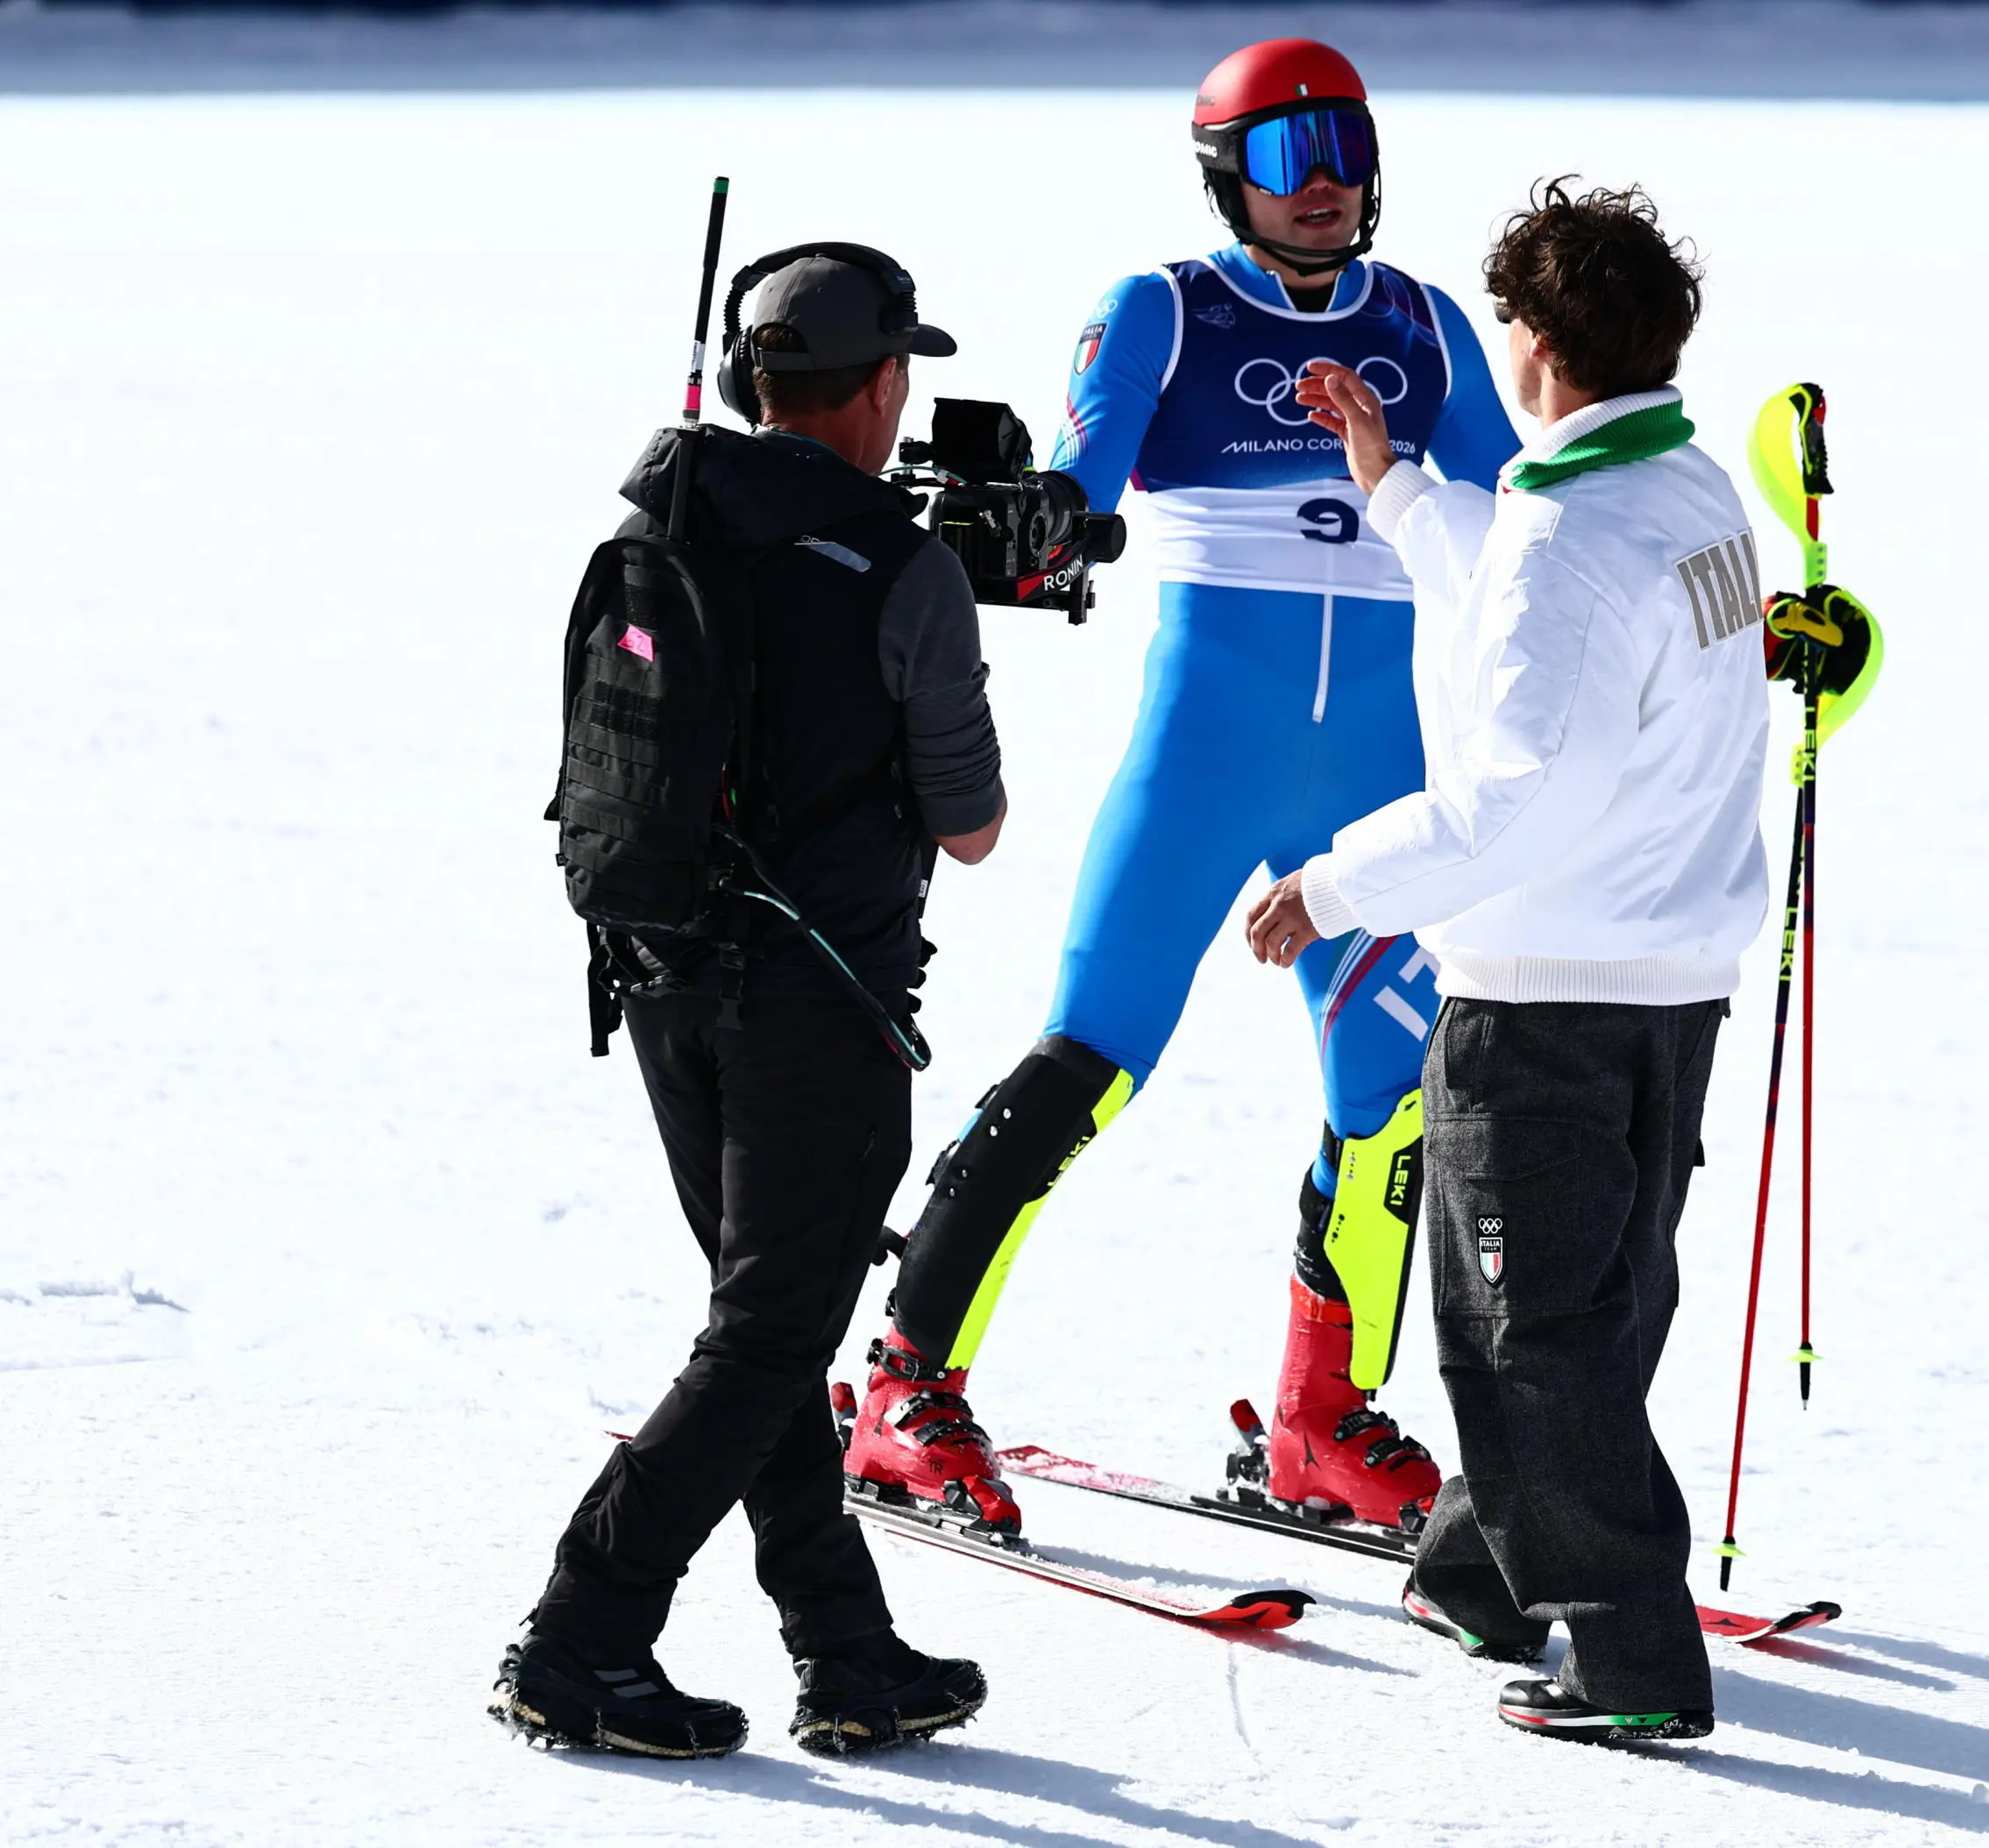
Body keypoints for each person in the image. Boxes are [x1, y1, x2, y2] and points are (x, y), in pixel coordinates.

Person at [842, 38, 1521, 1538]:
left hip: (1377, 792)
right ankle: (904, 1385)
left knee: (1391, 1098)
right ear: (1226, 177)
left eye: (1344, 146)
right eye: (1285, 156)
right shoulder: (1164, 309)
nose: (1323, 182)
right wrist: (1031, 524)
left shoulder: (1422, 326)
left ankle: (1323, 1422)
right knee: (1093, 1058)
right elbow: (1076, 492)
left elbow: (1537, 524)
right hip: (1206, 765)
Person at [1247, 181, 1769, 1744]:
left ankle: (1627, 1657)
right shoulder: (1679, 488)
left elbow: (1520, 792)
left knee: (1525, 1332)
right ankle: (1480, 1571)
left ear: (1536, 343)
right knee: (1591, 1306)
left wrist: (1334, 886)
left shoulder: (1569, 533)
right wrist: (1403, 494)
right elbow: (1540, 614)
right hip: (1666, 983)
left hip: (1545, 999)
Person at [494, 246, 1005, 1759]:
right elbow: (972, 826)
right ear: (883, 385)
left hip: (660, 980)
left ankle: (848, 1651)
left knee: (763, 1331)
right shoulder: (902, 567)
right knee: (768, 1340)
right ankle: (580, 1636)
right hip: (815, 1005)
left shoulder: (656, 524)